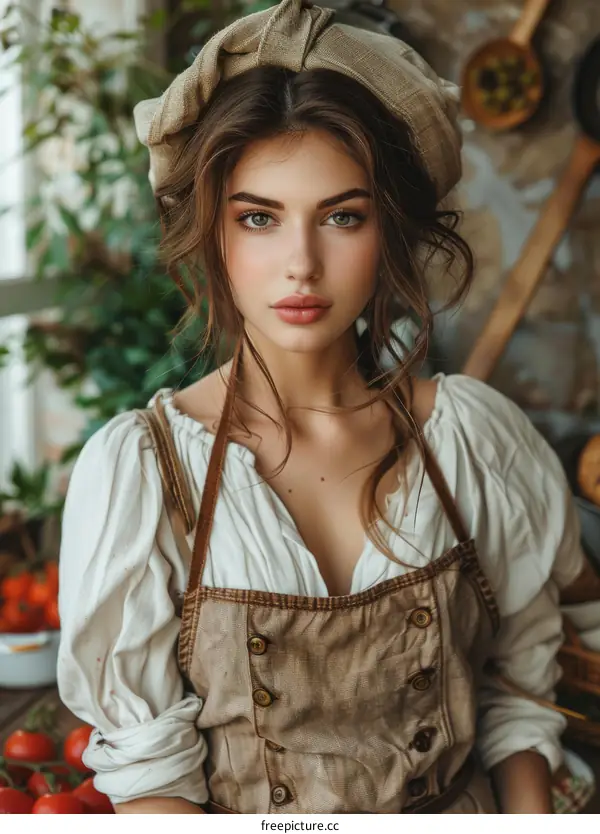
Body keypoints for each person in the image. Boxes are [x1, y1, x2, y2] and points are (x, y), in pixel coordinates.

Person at [57, 0, 592, 814]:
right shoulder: (145, 472)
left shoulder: (471, 439)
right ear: (213, 235)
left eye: (343, 216)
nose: (301, 264)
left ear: (390, 232)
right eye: (259, 219)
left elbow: (518, 696)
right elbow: (150, 782)